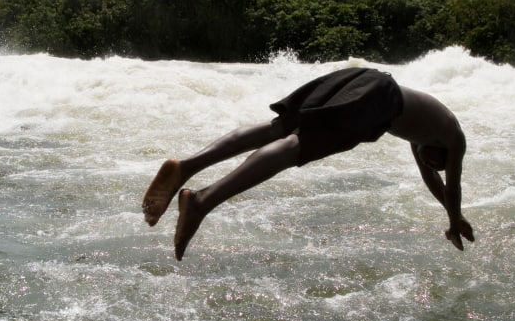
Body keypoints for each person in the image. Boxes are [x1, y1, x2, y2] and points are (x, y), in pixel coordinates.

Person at [142, 67, 473, 261]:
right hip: (379, 98)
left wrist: (451, 215)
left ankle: (187, 166)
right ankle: (201, 201)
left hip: (363, 78)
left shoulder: (427, 136)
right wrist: (455, 219)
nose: (428, 162)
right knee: (295, 147)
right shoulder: (453, 138)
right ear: (443, 154)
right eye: (435, 162)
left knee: (277, 128)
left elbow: (432, 180)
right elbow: (451, 183)